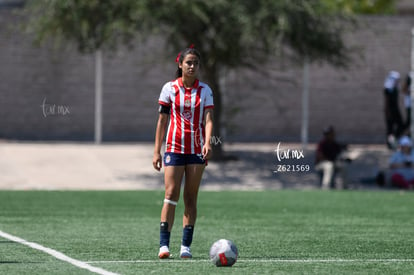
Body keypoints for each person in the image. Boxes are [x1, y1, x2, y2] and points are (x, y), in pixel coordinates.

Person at [153, 46, 214, 259]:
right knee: (171, 195)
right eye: (188, 62)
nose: (192, 66)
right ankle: (163, 245)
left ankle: (185, 247)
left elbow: (208, 119)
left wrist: (207, 143)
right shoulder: (169, 88)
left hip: (196, 150)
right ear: (180, 64)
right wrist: (156, 152)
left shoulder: (205, 90)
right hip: (174, 148)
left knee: (191, 197)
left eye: (196, 63)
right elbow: (162, 121)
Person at [383, 71, 404, 149]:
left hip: (395, 109)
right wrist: (387, 112)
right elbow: (387, 102)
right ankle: (390, 144)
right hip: (390, 111)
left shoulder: (395, 88)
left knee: (401, 125)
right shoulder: (387, 89)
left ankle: (394, 139)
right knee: (390, 128)